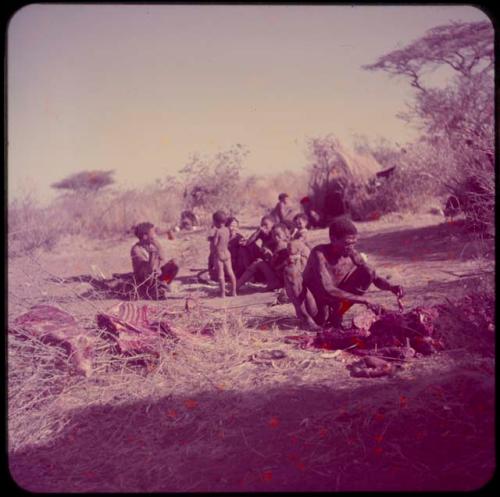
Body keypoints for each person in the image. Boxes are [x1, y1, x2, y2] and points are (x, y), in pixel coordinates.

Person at [302, 216, 404, 327]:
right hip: (317, 302)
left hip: (337, 302)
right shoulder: (319, 254)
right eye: (347, 243)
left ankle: (338, 313)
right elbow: (327, 289)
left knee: (368, 271)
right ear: (333, 239)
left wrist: (391, 287)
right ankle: (311, 317)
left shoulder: (352, 254)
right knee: (321, 320)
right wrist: (364, 300)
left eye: (353, 243)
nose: (351, 247)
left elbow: (374, 278)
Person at [130, 222, 179, 299]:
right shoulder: (136, 249)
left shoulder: (154, 243)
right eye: (153, 233)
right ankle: (152, 290)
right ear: (145, 236)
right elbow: (147, 269)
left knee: (175, 263)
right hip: (145, 280)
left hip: (156, 274)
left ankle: (164, 284)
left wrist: (159, 266)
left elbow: (163, 259)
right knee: (150, 271)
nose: (155, 235)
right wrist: (152, 255)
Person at [236, 223, 289, 292]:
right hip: (278, 278)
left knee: (259, 262)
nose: (276, 237)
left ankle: (236, 287)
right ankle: (236, 286)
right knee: (258, 262)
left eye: (278, 235)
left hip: (283, 280)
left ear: (285, 234)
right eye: (274, 235)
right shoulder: (275, 245)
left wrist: (271, 257)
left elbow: (280, 267)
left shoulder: (288, 246)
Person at [209, 210, 237, 298]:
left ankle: (222, 294)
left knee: (221, 275)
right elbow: (226, 239)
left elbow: (215, 243)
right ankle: (234, 292)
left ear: (216, 222)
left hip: (219, 255)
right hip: (227, 254)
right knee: (230, 273)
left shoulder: (218, 231)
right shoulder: (227, 230)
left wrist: (211, 238)